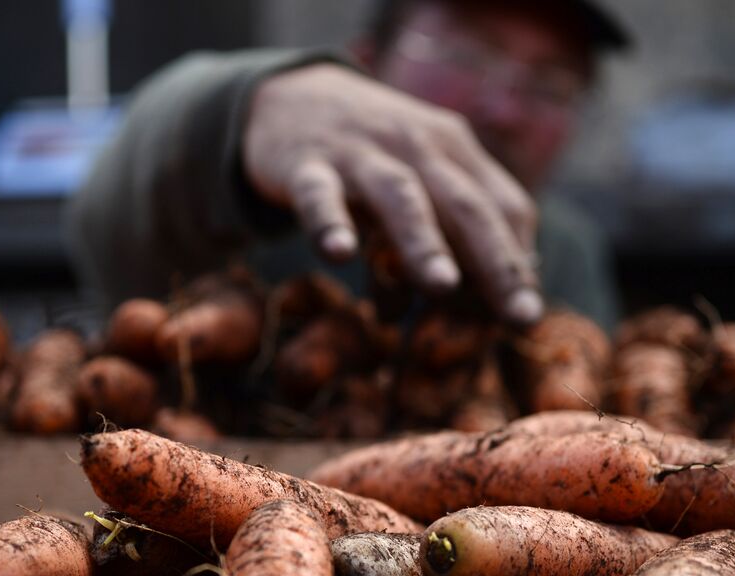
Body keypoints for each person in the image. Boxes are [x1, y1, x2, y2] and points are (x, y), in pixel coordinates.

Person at [67, 0, 628, 330]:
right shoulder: (264, 204)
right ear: (364, 65)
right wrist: (248, 108)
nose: (505, 109)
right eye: (466, 55)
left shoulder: (566, 252)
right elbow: (105, 214)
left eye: (552, 85)